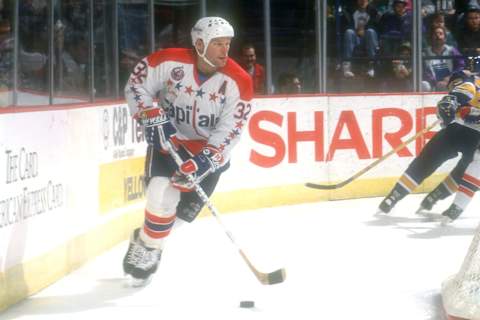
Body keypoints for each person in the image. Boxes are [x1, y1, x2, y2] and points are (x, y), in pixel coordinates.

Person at [122, 16, 253, 285]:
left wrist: (207, 160)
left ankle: (146, 238)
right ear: (200, 43)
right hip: (169, 143)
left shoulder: (238, 80)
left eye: (227, 44)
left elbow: (232, 128)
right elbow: (137, 85)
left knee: (179, 218)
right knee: (160, 192)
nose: (225, 51)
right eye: (218, 44)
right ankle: (150, 248)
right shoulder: (167, 61)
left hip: (207, 153)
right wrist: (151, 114)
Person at [377, 56, 480, 219]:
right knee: (462, 169)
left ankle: (395, 196)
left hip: (458, 131)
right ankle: (434, 196)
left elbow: (453, 99)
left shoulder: (469, 82)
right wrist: (448, 105)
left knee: (428, 161)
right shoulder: (470, 83)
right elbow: (454, 98)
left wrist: (449, 104)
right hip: (464, 133)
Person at [340, 0, 380, 79]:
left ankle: (372, 67)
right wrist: (356, 30)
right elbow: (345, 26)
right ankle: (347, 68)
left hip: (368, 38)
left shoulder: (374, 12)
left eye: (365, 0)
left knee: (370, 31)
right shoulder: (350, 11)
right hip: (355, 37)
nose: (362, 2)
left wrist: (364, 29)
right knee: (349, 32)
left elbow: (377, 27)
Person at [423, 26, 464, 91]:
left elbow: (460, 66)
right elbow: (424, 72)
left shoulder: (452, 51)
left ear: (445, 38)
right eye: (435, 34)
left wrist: (450, 78)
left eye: (440, 34)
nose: (438, 36)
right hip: (432, 84)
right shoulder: (425, 53)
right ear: (431, 37)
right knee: (424, 85)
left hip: (451, 82)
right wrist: (436, 82)